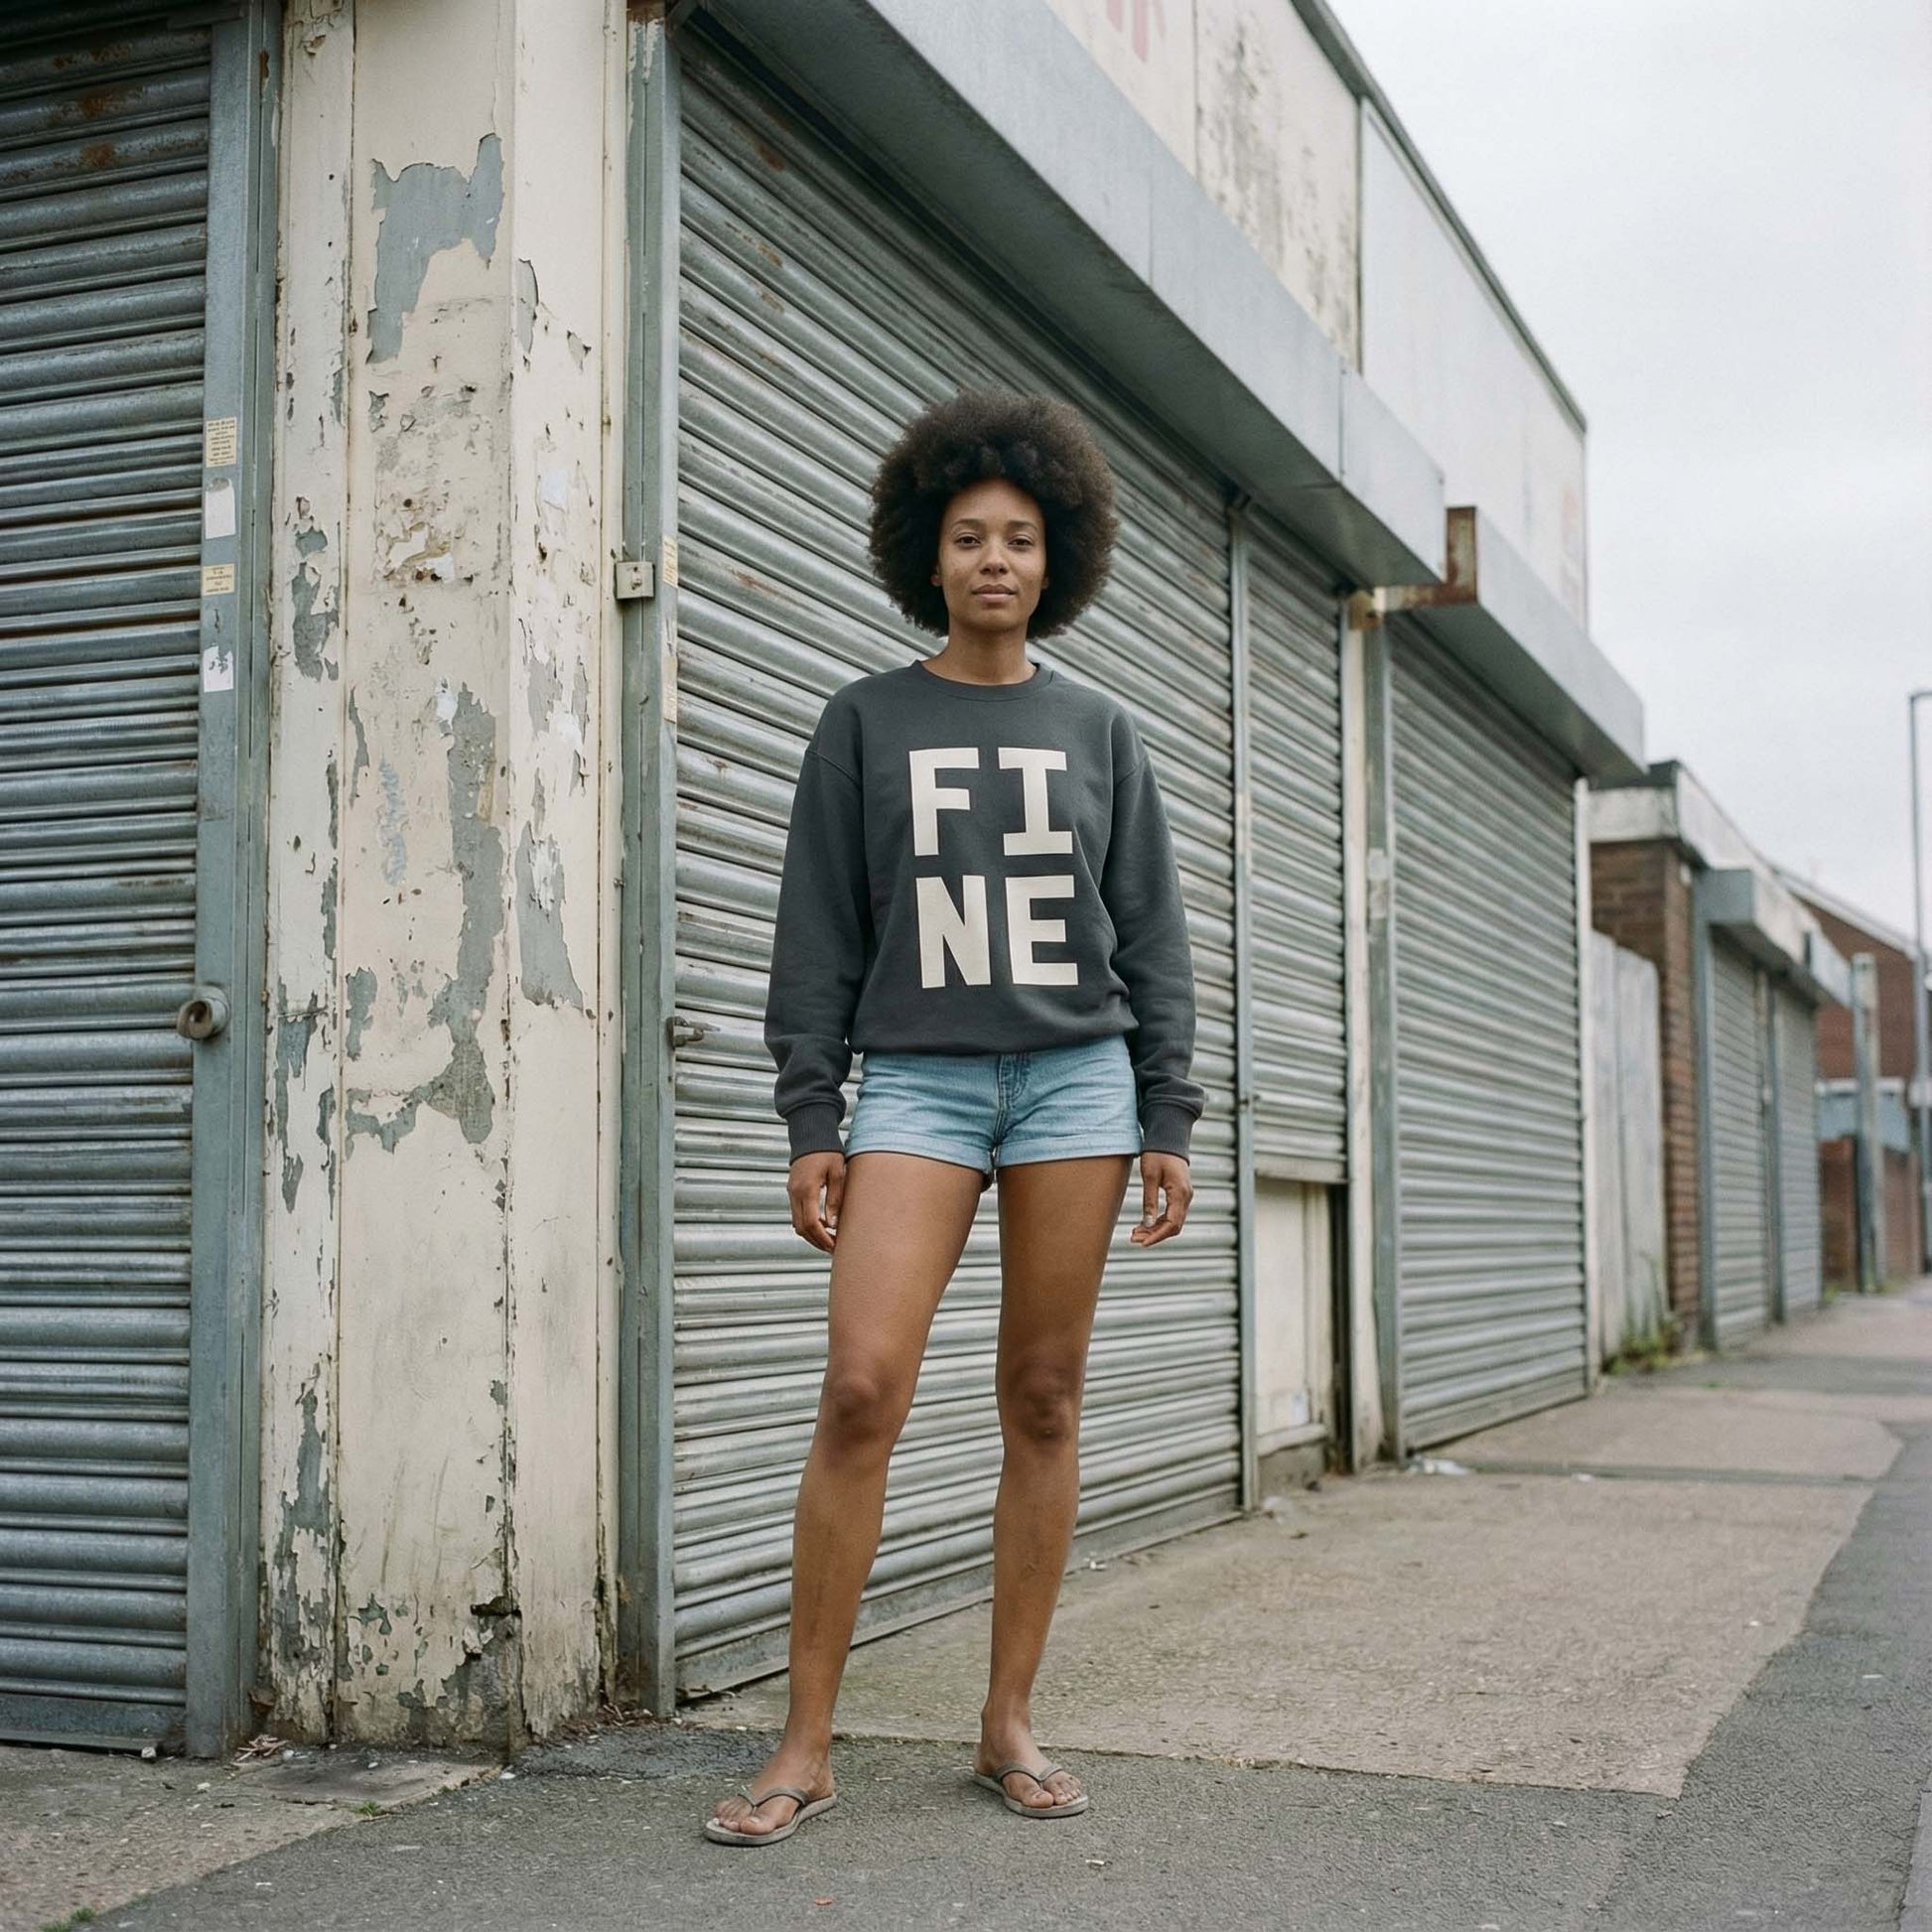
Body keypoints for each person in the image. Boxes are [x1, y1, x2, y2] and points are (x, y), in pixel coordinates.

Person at [705, 388, 1204, 1846]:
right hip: (913, 1080)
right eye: (969, 536)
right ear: (927, 552)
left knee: (1042, 1396)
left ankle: (1006, 1723)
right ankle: (804, 1741)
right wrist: (813, 1112)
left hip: (1075, 1086)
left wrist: (1166, 1107)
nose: (995, 559)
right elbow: (816, 935)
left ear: (1058, 561)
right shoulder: (862, 720)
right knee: (860, 1386)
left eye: (1022, 539)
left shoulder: (1100, 728)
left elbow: (1153, 934)